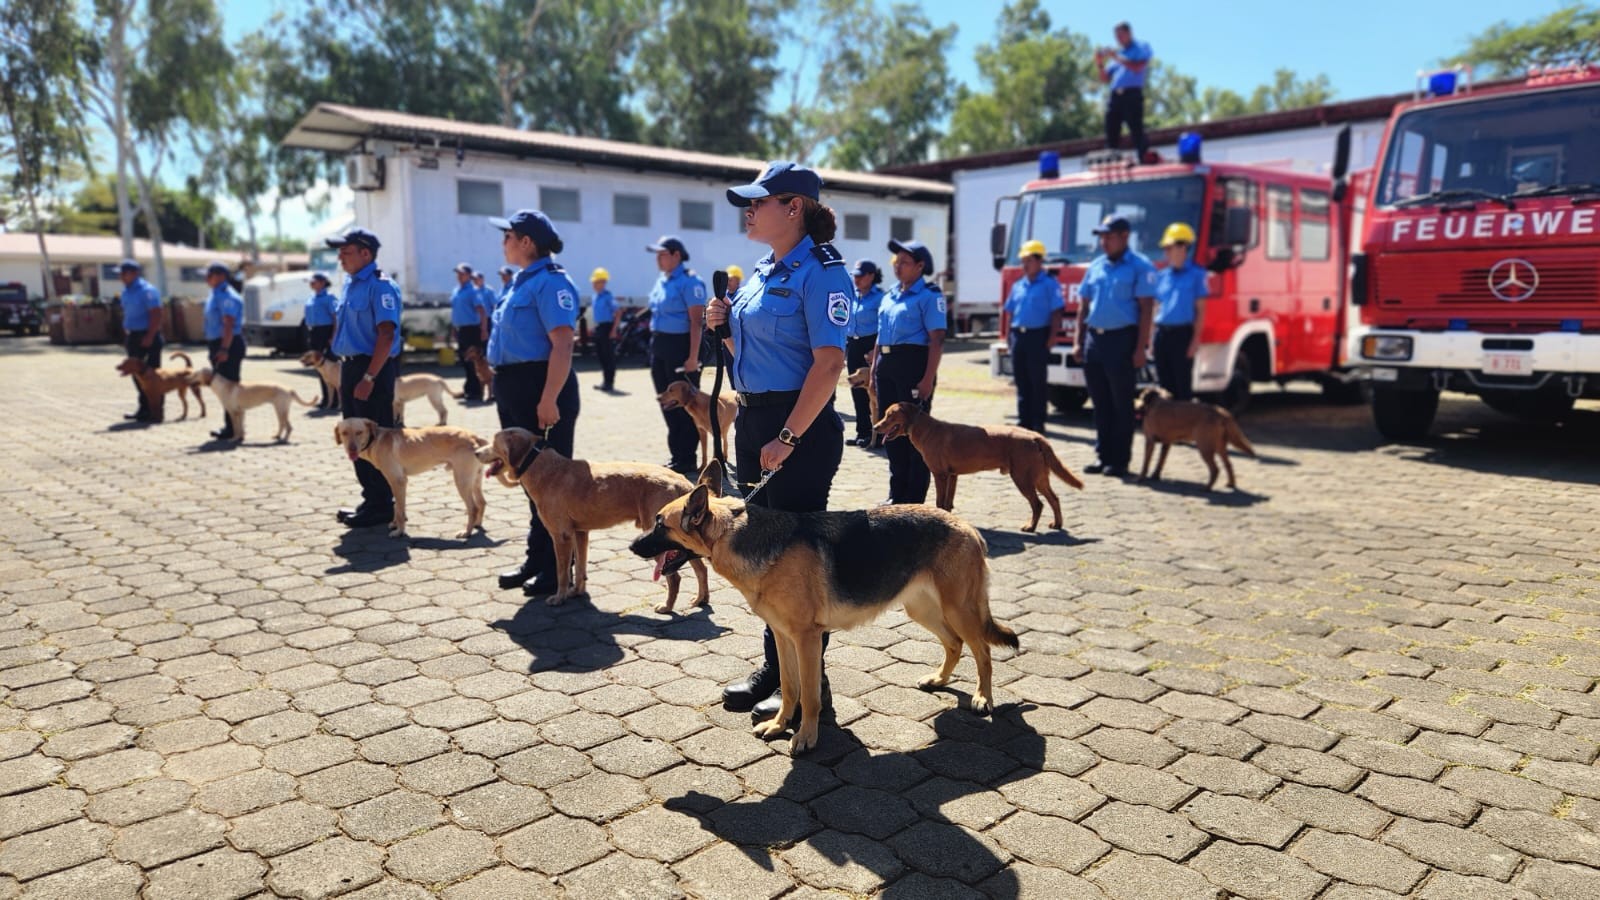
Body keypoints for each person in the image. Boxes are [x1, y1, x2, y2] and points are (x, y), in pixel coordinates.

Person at [708, 160, 849, 721]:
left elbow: (830, 362)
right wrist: (723, 330)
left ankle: (812, 692)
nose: (749, 210)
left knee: (794, 567)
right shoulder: (764, 272)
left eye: (759, 201)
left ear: (794, 208)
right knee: (762, 559)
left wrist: (790, 435)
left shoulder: (823, 271)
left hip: (800, 430)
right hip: (756, 423)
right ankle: (778, 669)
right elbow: (754, 361)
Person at [486, 210, 581, 596]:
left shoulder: (551, 283)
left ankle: (557, 567)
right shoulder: (517, 283)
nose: (503, 242)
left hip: (540, 386)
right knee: (528, 482)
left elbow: (562, 343)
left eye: (508, 235)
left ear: (526, 242)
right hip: (513, 385)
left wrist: (548, 398)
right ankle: (536, 558)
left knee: (551, 485)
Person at [327, 228, 402, 529]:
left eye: (346, 252)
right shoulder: (350, 285)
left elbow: (386, 333)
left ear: (365, 254)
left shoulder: (381, 287)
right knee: (355, 438)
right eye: (340, 252)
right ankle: (371, 498)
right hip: (353, 368)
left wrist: (369, 376)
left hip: (373, 369)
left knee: (374, 439)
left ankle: (383, 503)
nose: (340, 258)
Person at [1072, 214, 1157, 476]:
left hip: (1122, 340)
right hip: (1094, 341)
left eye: (1109, 237)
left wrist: (1141, 348)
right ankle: (1103, 456)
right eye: (1101, 237)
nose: (1103, 242)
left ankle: (1119, 460)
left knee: (1122, 403)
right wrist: (1078, 341)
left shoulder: (1140, 266)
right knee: (1100, 403)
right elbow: (1083, 306)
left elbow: (1146, 309)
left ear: (1124, 236)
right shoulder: (1096, 266)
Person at [871, 239, 946, 504]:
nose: (897, 266)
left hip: (913, 365)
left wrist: (927, 379)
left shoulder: (929, 295)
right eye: (896, 262)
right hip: (887, 366)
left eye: (904, 262)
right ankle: (896, 493)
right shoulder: (890, 294)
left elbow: (936, 339)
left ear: (920, 266)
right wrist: (872, 372)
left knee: (916, 434)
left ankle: (914, 499)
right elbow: (881, 335)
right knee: (891, 430)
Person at [645, 234, 707, 476]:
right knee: (666, 401)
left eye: (662, 254)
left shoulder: (690, 282)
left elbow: (696, 324)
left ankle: (687, 458)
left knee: (686, 404)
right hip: (659, 346)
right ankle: (677, 455)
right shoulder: (663, 281)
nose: (658, 259)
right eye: (657, 255)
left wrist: (693, 358)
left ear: (676, 255)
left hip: (681, 348)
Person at [1005, 239, 1066, 433]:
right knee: (1021, 381)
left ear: (1039, 261)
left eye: (1029, 260)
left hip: (1038, 336)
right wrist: (1008, 336)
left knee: (1037, 381)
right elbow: (1010, 312)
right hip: (1018, 337)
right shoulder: (1018, 285)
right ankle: (1024, 421)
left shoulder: (1049, 284)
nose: (1025, 264)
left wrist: (1052, 337)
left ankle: (1038, 422)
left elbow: (1057, 312)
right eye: (1023, 260)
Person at [1153, 223, 1208, 400]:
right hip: (1162, 335)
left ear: (1183, 247)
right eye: (1165, 249)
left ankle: (1184, 425)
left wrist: (1195, 341)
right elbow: (1156, 307)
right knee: (1164, 387)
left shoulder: (1197, 275)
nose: (1166, 253)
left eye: (1169, 248)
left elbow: (1200, 310)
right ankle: (1168, 427)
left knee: (1182, 385)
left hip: (1182, 335)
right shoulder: (1162, 276)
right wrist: (1151, 338)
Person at [1095, 21, 1152, 161]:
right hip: (1115, 96)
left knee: (1136, 129)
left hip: (1132, 93)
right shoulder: (1118, 54)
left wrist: (1115, 57)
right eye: (1116, 35)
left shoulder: (1141, 47)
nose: (1118, 38)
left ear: (1129, 33)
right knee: (1111, 129)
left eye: (1121, 34)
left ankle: (1143, 157)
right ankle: (1112, 158)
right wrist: (1100, 63)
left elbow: (1138, 66)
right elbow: (1105, 78)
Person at [202, 261, 245, 440]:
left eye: (210, 274)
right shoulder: (216, 294)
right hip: (219, 344)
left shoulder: (227, 296)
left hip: (227, 344)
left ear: (221, 276)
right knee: (224, 388)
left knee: (229, 388)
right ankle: (231, 426)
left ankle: (234, 429)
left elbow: (228, 324)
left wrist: (224, 349)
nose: (207, 278)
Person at [117, 260, 164, 422]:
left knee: (152, 376)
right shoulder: (126, 292)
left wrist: (150, 336)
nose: (121, 276)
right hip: (134, 336)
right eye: (120, 273)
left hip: (148, 335)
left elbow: (156, 314)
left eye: (124, 273)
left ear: (134, 273)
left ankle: (156, 410)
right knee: (137, 375)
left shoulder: (147, 291)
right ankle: (143, 408)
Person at [845, 259, 885, 446]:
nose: (857, 280)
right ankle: (863, 432)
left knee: (874, 391)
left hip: (871, 345)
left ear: (871, 276)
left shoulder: (880, 297)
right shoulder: (852, 295)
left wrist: (874, 350)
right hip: (853, 345)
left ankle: (878, 434)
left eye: (860, 276)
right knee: (857, 390)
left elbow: (885, 325)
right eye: (855, 276)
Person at [449, 263, 490, 403]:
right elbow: (455, 311)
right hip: (461, 329)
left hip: (472, 329)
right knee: (464, 360)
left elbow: (482, 311)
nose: (458, 276)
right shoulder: (456, 290)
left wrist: (484, 330)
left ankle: (476, 390)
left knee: (474, 361)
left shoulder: (473, 291)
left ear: (468, 275)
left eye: (462, 273)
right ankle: (469, 388)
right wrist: (454, 328)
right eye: (458, 273)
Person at [304, 271, 339, 410]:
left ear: (323, 282)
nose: (311, 284)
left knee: (331, 368)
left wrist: (333, 336)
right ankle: (326, 399)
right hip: (314, 332)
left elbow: (336, 318)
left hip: (326, 331)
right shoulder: (311, 298)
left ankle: (336, 400)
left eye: (314, 281)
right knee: (320, 368)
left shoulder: (329, 298)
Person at [589, 267, 620, 392]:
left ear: (603, 282)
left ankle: (609, 382)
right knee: (601, 355)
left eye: (597, 282)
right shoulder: (595, 296)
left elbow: (618, 313)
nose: (594, 284)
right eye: (594, 282)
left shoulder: (608, 297)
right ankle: (605, 381)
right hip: (599, 327)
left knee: (608, 356)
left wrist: (614, 330)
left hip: (607, 327)